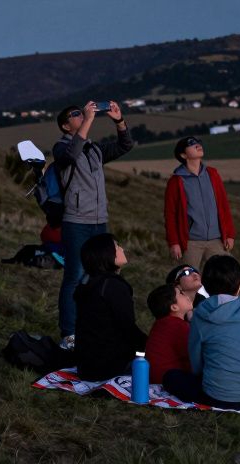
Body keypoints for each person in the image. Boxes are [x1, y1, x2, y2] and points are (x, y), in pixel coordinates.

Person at [52, 99, 134, 349]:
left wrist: (119, 120)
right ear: (66, 126)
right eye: (76, 114)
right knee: (75, 275)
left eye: (82, 112)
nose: (82, 115)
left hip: (100, 221)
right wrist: (87, 120)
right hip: (76, 221)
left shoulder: (95, 149)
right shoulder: (61, 148)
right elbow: (71, 155)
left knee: (100, 276)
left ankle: (93, 326)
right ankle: (69, 333)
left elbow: (125, 145)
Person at [162, 255, 240, 412]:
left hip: (216, 398)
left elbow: (197, 365)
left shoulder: (199, 316)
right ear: (239, 284)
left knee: (170, 377)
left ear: (204, 286)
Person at [72, 233, 147, 382]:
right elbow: (128, 328)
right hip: (108, 367)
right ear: (106, 254)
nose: (122, 249)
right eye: (117, 246)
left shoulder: (88, 283)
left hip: (85, 365)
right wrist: (149, 345)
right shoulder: (113, 286)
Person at [164, 136, 236, 270]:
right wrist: (174, 243)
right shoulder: (176, 181)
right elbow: (170, 215)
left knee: (223, 278)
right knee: (190, 282)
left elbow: (224, 206)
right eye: (191, 144)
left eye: (198, 143)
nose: (197, 145)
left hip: (217, 240)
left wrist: (230, 234)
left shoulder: (213, 174)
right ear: (183, 155)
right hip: (191, 243)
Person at [144, 284, 193, 385]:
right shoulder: (177, 326)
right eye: (181, 294)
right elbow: (193, 355)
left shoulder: (162, 324)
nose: (186, 296)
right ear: (174, 307)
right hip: (168, 379)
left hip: (156, 377)